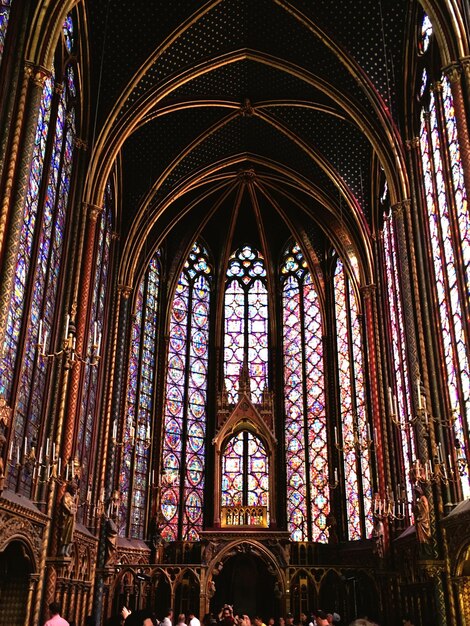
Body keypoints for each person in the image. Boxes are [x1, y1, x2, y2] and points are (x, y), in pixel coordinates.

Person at [59, 482, 77, 556]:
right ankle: (63, 549)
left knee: (70, 534)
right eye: (74, 489)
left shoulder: (72, 497)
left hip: (72, 518)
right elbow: (64, 503)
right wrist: (70, 510)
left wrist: (74, 508)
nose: (75, 490)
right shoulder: (67, 495)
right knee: (66, 533)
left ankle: (66, 550)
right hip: (68, 517)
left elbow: (73, 506)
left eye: (75, 489)